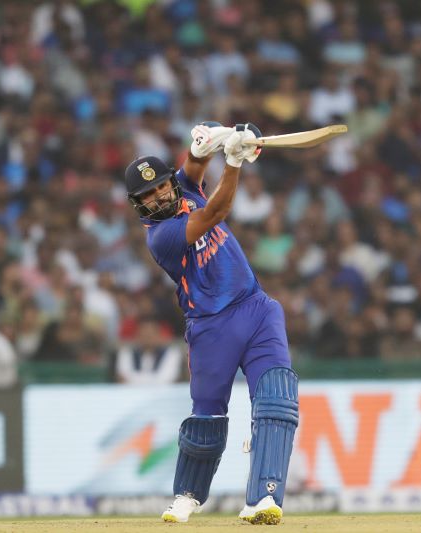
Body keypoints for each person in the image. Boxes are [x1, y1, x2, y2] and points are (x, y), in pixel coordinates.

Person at [123, 122, 298, 525]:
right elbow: (216, 211)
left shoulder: (184, 186)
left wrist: (216, 139)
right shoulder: (160, 236)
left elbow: (197, 159)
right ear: (139, 204)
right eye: (147, 195)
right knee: (207, 417)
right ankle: (187, 495)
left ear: (170, 182)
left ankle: (264, 497)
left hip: (256, 308)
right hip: (211, 326)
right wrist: (234, 161)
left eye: (161, 186)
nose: (158, 196)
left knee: (276, 400)